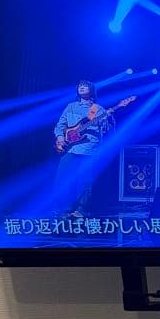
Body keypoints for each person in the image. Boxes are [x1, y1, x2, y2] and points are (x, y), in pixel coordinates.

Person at [52, 80, 114, 217]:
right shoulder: (71, 106)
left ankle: (81, 210)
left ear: (91, 90)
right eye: (80, 86)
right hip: (70, 148)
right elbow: (60, 124)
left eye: (85, 86)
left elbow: (106, 130)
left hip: (89, 148)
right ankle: (64, 208)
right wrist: (60, 137)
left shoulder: (98, 109)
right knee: (62, 178)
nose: (81, 87)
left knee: (85, 180)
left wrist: (105, 120)